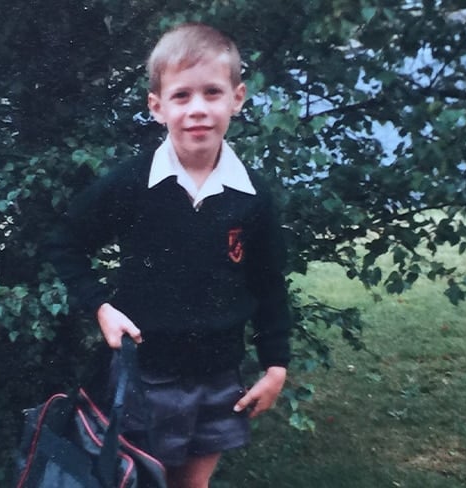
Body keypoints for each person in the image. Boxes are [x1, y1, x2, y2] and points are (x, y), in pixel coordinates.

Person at [45, 22, 292, 488]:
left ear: (237, 98)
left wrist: (275, 365)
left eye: (212, 93)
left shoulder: (253, 196)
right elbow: (66, 242)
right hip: (145, 376)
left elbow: (268, 284)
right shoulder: (131, 184)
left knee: (191, 485)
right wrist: (101, 307)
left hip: (219, 376)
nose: (198, 109)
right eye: (181, 96)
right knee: (137, 482)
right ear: (157, 107)